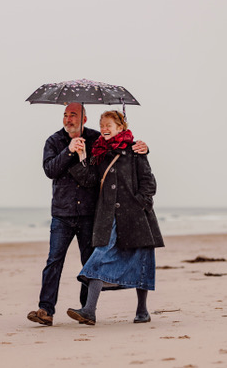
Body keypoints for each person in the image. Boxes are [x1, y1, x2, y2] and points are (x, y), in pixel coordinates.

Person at [27, 103, 148, 326]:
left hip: (90, 213)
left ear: (84, 119)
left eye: (73, 115)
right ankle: (45, 310)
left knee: (90, 263)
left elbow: (119, 152)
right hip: (62, 214)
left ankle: (85, 310)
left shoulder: (97, 139)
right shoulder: (53, 141)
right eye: (65, 115)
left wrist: (141, 146)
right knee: (54, 261)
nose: (68, 119)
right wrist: (69, 150)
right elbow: (49, 170)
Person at [66, 110, 164, 326]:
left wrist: (140, 204)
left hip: (136, 217)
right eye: (102, 125)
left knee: (142, 260)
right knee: (99, 257)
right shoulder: (99, 153)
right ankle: (89, 311)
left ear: (121, 127)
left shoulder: (135, 150)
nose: (104, 129)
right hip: (108, 217)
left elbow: (149, 183)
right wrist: (82, 158)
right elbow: (91, 181)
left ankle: (142, 311)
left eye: (109, 125)